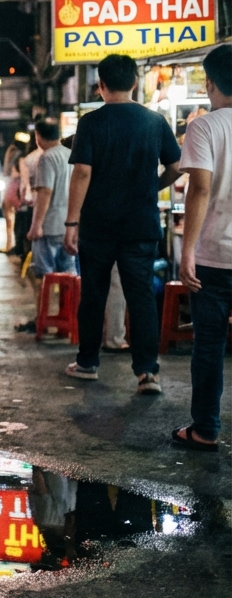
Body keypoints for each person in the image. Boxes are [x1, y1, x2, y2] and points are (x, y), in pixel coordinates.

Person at [63, 54, 181, 393]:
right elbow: (175, 168)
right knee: (140, 295)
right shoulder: (154, 121)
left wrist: (72, 222)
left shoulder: (90, 123)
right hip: (140, 225)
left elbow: (82, 172)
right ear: (134, 83)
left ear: (100, 85)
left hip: (98, 226)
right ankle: (147, 373)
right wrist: (151, 186)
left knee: (94, 294)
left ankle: (87, 363)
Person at [172, 44, 232, 450]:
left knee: (209, 345)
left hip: (214, 257)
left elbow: (200, 189)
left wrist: (187, 250)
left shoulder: (205, 126)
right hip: (212, 257)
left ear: (210, 83)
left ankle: (205, 430)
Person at [17, 121, 75, 333]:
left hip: (49, 226)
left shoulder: (46, 157)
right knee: (68, 276)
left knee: (42, 275)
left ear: (38, 137)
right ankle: (65, 322)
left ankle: (42, 319)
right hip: (68, 226)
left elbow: (45, 193)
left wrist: (36, 226)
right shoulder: (69, 155)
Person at [0, 142, 23, 253]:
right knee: (17, 219)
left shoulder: (15, 159)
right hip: (16, 190)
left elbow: (7, 172)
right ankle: (13, 245)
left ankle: (10, 245)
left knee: (10, 219)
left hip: (12, 189)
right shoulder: (21, 158)